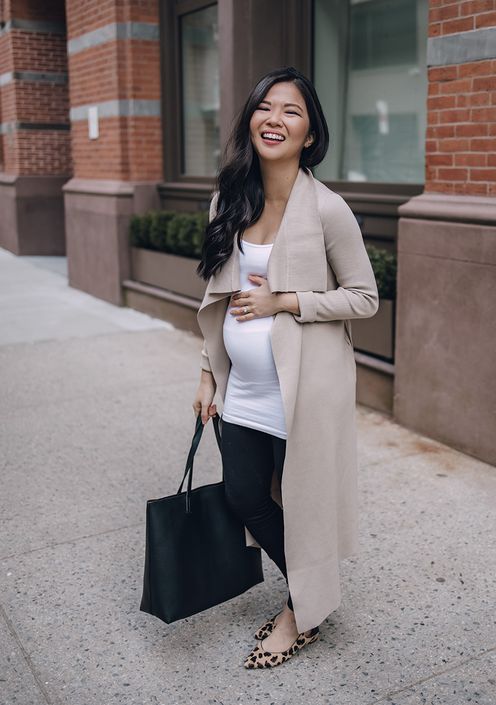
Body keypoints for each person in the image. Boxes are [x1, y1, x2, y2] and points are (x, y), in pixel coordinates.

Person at [192, 66, 379, 669]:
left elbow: (364, 298)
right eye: (265, 107)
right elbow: (218, 299)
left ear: (310, 132)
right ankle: (308, 593)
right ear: (251, 119)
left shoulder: (328, 209)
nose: (275, 119)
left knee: (304, 503)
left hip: (305, 392)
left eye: (291, 111)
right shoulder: (229, 199)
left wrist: (287, 301)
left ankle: (301, 610)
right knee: (246, 495)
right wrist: (205, 374)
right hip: (242, 386)